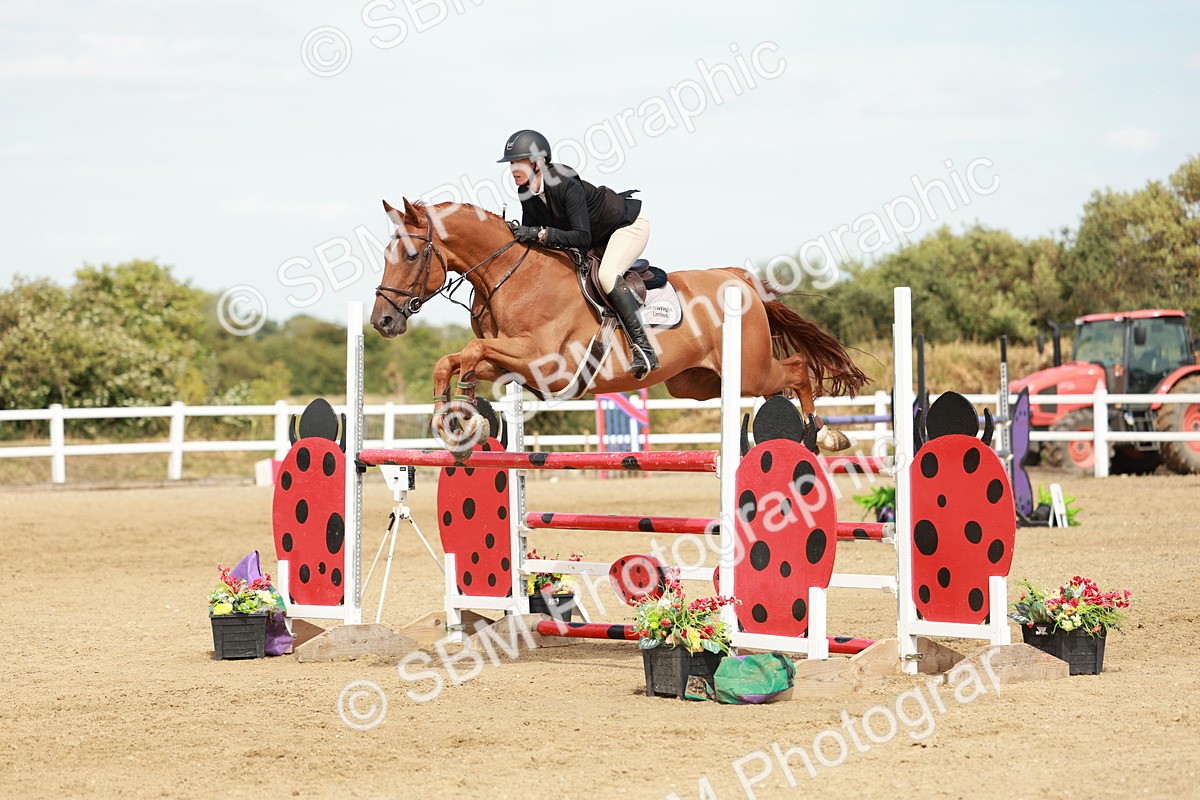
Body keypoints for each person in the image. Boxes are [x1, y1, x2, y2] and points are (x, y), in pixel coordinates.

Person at [498, 129, 658, 379]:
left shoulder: (564, 183)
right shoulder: (525, 191)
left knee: (607, 275)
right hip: (595, 234)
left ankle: (644, 349)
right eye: (511, 163)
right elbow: (534, 237)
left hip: (626, 226)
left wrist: (540, 234)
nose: (513, 169)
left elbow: (580, 237)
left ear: (538, 162)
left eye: (518, 162)